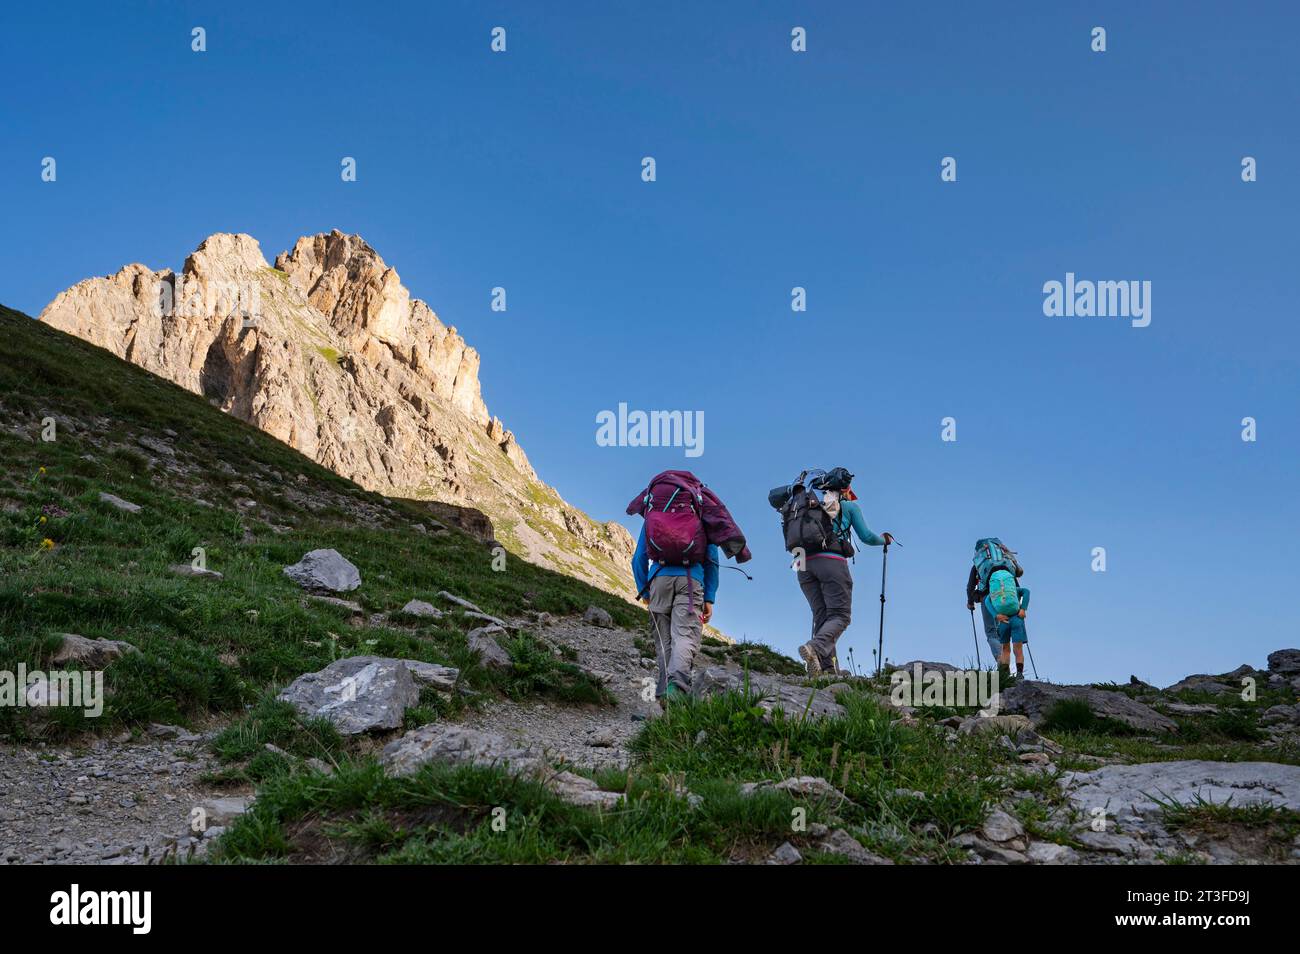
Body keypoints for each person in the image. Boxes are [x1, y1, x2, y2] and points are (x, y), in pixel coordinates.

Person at [796, 483, 892, 677]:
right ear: (844, 489)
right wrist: (884, 540)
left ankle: (828, 670)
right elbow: (866, 536)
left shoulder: (804, 505)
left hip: (800, 562)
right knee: (840, 615)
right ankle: (815, 647)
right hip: (830, 561)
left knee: (822, 616)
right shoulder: (848, 506)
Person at [632, 524, 719, 707]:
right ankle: (677, 690)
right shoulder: (702, 513)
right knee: (684, 637)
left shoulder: (654, 509)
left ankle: (665, 693)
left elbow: (639, 557)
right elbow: (712, 560)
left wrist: (644, 590)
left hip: (659, 580)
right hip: (690, 580)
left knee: (664, 643)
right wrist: (709, 597)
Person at [966, 555, 1024, 663]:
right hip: (1008, 601)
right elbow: (1015, 585)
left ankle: (1001, 662)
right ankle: (1013, 667)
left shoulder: (979, 565)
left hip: (987, 598)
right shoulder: (1006, 562)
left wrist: (970, 602)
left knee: (991, 632)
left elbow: (970, 587)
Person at [988, 578, 1031, 678]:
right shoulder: (1014, 589)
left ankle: (1004, 675)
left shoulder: (996, 592)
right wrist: (1023, 609)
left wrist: (995, 615)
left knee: (1005, 649)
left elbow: (987, 601)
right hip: (1016, 619)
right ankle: (1019, 674)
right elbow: (1027, 592)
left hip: (1003, 621)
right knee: (1018, 649)